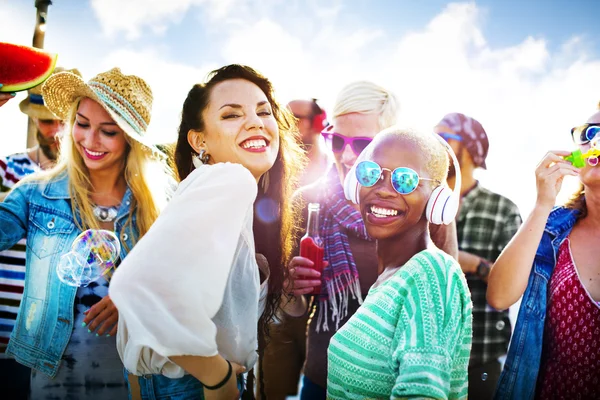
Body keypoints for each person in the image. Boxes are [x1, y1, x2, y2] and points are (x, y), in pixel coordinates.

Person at [109, 64, 305, 400]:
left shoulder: (206, 189)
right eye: (231, 115)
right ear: (200, 140)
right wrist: (218, 378)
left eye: (264, 111)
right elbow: (136, 288)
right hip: (193, 386)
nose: (256, 122)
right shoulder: (231, 180)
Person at [0, 67, 171, 400]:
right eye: (81, 124)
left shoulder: (161, 207)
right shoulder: (35, 194)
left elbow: (191, 286)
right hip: (54, 378)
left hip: (139, 380)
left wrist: (135, 298)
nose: (90, 141)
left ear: (130, 139)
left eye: (108, 131)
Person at [282, 81, 459, 400]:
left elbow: (441, 311)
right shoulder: (308, 203)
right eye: (336, 141)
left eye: (363, 142)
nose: (347, 155)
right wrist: (291, 291)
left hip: (397, 382)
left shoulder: (426, 208)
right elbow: (293, 310)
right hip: (322, 382)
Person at [326, 126, 472, 399]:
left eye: (405, 180)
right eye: (371, 174)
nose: (382, 191)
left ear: (437, 200)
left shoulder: (432, 276)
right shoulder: (396, 276)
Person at [489, 102, 600, 399]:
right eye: (589, 133)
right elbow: (499, 296)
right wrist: (542, 204)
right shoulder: (552, 229)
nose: (594, 142)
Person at [0, 67, 80, 399]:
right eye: (47, 121)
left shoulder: (87, 186)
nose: (57, 130)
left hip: (56, 344)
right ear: (33, 120)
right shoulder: (6, 169)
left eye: (64, 120)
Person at [434, 113, 522, 399]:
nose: (436, 144)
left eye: (445, 137)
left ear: (471, 148)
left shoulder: (503, 209)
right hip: (418, 352)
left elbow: (517, 284)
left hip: (480, 354)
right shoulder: (417, 201)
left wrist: (474, 265)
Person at [289, 98, 329, 187]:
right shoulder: (274, 171)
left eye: (294, 118)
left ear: (316, 123)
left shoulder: (334, 170)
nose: (285, 125)